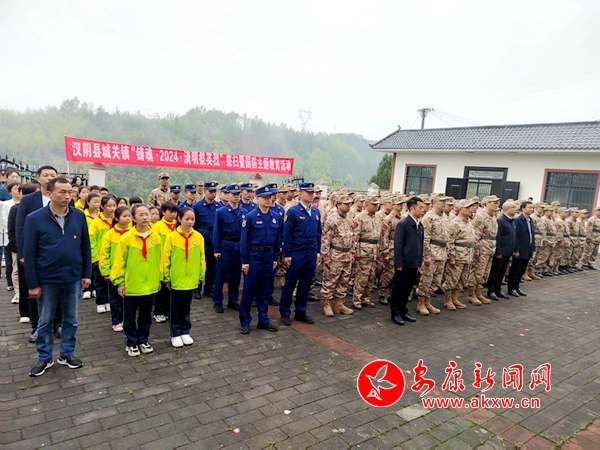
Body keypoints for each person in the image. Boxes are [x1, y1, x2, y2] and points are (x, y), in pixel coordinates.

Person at [24, 177, 91, 376]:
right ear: (49, 193)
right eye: (62, 192)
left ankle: (67, 353)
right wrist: (32, 284)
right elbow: (29, 253)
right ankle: (45, 357)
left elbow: (85, 247)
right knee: (45, 321)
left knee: (71, 319)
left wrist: (86, 274)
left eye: (70, 192)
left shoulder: (78, 216)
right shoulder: (35, 218)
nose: (67, 196)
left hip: (72, 277)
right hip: (47, 279)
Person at [111, 205, 162, 357]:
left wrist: (159, 279)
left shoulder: (156, 237)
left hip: (150, 284)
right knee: (129, 317)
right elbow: (119, 262)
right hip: (132, 285)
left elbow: (160, 261)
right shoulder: (126, 238)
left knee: (146, 316)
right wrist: (120, 282)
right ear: (133, 218)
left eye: (147, 214)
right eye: (141, 215)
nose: (145, 217)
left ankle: (143, 340)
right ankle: (131, 342)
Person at [16, 166, 58, 343]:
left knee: (58, 289)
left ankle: (57, 323)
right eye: (46, 175)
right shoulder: (28, 200)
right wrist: (23, 253)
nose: (49, 178)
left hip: (56, 253)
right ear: (37, 178)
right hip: (34, 252)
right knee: (34, 290)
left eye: (53, 175)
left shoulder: (63, 198)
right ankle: (36, 326)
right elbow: (20, 228)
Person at [239, 185, 282, 334]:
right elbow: (244, 241)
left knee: (265, 291)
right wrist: (245, 261)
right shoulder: (250, 217)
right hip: (254, 256)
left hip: (268, 257)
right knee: (249, 291)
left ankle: (263, 320)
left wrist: (275, 258)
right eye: (265, 197)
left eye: (270, 197)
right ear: (257, 198)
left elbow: (277, 239)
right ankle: (245, 321)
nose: (268, 200)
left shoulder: (276, 217)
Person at [162, 207, 206, 347]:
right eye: (187, 219)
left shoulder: (198, 237)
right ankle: (175, 333)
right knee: (175, 308)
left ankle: (185, 331)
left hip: (191, 279)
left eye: (192, 219)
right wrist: (166, 277)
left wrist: (200, 275)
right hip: (176, 279)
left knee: (186, 307)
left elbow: (202, 258)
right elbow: (165, 259)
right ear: (179, 219)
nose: (190, 222)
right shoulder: (172, 237)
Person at [279, 182, 321, 326]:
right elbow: (287, 234)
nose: (311, 195)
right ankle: (285, 312)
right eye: (308, 192)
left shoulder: (316, 212)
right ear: (300, 194)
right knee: (290, 283)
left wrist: (318, 251)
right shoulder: (293, 212)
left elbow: (318, 233)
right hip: (297, 252)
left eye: (312, 192)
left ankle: (300, 311)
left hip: (311, 252)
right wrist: (288, 254)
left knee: (305, 283)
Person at [389, 197, 425, 326]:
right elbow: (398, 245)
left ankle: (403, 310)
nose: (423, 210)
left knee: (408, 288)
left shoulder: (420, 225)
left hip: (413, 262)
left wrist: (419, 261)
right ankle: (395, 312)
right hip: (404, 263)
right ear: (412, 209)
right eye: (420, 207)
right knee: (399, 288)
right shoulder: (403, 224)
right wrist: (398, 263)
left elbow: (420, 245)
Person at [212, 184, 245, 313]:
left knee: (235, 276)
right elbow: (216, 232)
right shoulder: (221, 212)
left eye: (238, 194)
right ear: (228, 195)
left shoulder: (244, 212)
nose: (236, 196)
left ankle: (233, 300)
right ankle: (217, 301)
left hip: (239, 246)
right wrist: (217, 249)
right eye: (233, 194)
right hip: (226, 245)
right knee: (221, 275)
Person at [320, 194, 354, 316]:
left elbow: (352, 237)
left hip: (347, 255)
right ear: (338, 205)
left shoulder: (349, 218)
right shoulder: (332, 219)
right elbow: (325, 239)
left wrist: (352, 252)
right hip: (335, 255)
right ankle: (327, 304)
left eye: (350, 203)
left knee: (344, 281)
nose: (349, 206)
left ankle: (339, 304)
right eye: (346, 204)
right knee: (330, 280)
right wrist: (326, 257)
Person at [99, 206, 131, 332]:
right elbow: (104, 254)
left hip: (129, 272)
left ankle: (125, 319)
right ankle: (116, 321)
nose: (127, 219)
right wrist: (106, 272)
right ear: (116, 218)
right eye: (124, 216)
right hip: (114, 272)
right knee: (114, 298)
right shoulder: (110, 234)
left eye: (129, 216)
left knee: (127, 298)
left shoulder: (133, 233)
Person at [415, 194, 448, 315]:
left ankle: (427, 301)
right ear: (434, 202)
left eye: (445, 201)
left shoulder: (445, 216)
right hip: (432, 252)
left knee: (436, 281)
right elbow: (425, 239)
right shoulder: (428, 217)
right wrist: (426, 255)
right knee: (426, 279)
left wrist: (446, 252)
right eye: (441, 201)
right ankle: (421, 303)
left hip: (441, 252)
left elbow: (446, 237)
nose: (444, 203)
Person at [444, 199, 477, 309]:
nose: (470, 209)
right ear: (460, 209)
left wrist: (471, 255)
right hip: (458, 255)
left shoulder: (469, 222)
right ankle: (448, 299)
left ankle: (455, 298)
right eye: (467, 207)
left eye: (470, 207)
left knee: (462, 278)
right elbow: (450, 242)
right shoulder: (454, 223)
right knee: (453, 278)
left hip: (467, 255)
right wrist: (452, 257)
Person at [468, 195, 500, 304]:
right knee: (477, 272)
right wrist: (476, 250)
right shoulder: (480, 216)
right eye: (494, 203)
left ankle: (478, 293)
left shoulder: (493, 216)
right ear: (487, 203)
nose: (496, 205)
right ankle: (471, 294)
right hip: (482, 247)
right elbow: (476, 235)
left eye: (497, 203)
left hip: (490, 247)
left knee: (485, 273)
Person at [351, 195, 381, 309]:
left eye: (377, 204)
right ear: (367, 205)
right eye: (374, 204)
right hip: (364, 250)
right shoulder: (360, 217)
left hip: (374, 251)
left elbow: (380, 236)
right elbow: (355, 236)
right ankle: (357, 299)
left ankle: (366, 298)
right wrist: (356, 252)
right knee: (362, 277)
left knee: (371, 276)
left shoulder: (378, 218)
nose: (376, 206)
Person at [89, 196, 117, 313]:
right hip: (101, 257)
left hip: (114, 256)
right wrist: (95, 257)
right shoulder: (96, 222)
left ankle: (109, 301)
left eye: (114, 206)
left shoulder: (117, 220)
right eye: (109, 206)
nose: (112, 208)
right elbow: (92, 241)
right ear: (102, 206)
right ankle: (101, 302)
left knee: (111, 281)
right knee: (100, 281)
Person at [151, 201, 178, 322]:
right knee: (162, 290)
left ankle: (168, 311)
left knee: (171, 289)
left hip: (175, 261)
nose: (173, 214)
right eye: (170, 212)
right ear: (163, 212)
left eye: (175, 212)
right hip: (161, 261)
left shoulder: (177, 225)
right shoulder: (157, 227)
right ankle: (158, 312)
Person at [192, 182, 219, 297]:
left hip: (213, 240)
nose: (213, 194)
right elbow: (194, 224)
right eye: (210, 191)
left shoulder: (219, 207)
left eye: (214, 191)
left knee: (212, 267)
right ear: (204, 191)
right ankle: (196, 289)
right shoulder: (197, 206)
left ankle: (208, 288)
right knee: (199, 265)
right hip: (201, 240)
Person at [487, 201, 517, 300]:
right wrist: (498, 251)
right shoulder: (501, 220)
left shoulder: (511, 221)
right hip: (501, 251)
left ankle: (498, 289)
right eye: (513, 207)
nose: (516, 209)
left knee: (502, 272)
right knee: (495, 271)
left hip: (508, 251)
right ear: (507, 209)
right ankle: (491, 290)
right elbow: (498, 237)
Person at [508, 201, 535, 297]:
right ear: (523, 209)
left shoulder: (530, 220)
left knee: (522, 270)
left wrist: (533, 248)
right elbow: (515, 236)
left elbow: (531, 235)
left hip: (528, 248)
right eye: (529, 207)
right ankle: (511, 288)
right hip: (520, 249)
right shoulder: (518, 220)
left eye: (532, 208)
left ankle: (517, 286)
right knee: (515, 269)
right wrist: (516, 250)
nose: (531, 209)